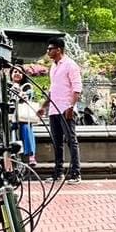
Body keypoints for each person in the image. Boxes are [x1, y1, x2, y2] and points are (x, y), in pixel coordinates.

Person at [38, 37, 82, 183]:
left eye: (50, 49)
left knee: (71, 140)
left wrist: (71, 107)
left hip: (65, 109)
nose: (48, 51)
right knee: (57, 142)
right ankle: (58, 173)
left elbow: (77, 89)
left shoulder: (70, 65)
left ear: (59, 50)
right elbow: (53, 90)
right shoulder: (54, 67)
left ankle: (76, 173)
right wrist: (44, 107)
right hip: (54, 110)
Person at [10, 67, 39, 165]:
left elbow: (29, 98)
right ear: (10, 74)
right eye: (15, 72)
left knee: (26, 127)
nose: (17, 74)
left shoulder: (28, 88)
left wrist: (22, 94)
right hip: (10, 117)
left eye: (20, 72)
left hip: (23, 116)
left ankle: (31, 156)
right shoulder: (6, 87)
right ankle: (12, 154)